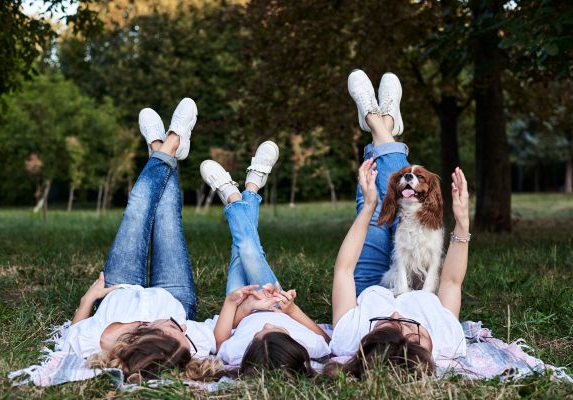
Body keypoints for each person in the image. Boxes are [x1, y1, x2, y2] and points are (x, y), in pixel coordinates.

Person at [329, 70, 471, 377]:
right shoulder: (448, 339)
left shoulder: (348, 339)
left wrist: (367, 210)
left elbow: (342, 271)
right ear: (429, 348)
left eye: (383, 325)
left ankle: (380, 123)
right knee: (394, 192)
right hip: (416, 279)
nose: (396, 312)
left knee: (377, 197)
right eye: (409, 327)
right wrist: (461, 223)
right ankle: (379, 122)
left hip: (366, 285)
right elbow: (450, 283)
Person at [65, 99, 218, 381]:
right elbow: (223, 331)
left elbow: (69, 338)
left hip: (116, 290)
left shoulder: (101, 341)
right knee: (166, 215)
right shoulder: (187, 345)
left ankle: (163, 147)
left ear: (145, 333)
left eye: (174, 329)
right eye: (183, 333)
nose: (185, 329)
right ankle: (168, 146)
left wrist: (89, 299)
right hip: (175, 296)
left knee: (137, 208)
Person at [198, 143, 331, 376]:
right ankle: (235, 193)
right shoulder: (309, 346)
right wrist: (290, 311)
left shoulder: (239, 352)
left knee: (242, 248)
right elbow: (326, 339)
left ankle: (246, 190)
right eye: (276, 330)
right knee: (249, 251)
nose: (267, 324)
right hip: (275, 298)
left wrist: (241, 305)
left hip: (241, 301)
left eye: (260, 333)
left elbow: (220, 343)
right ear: (293, 345)